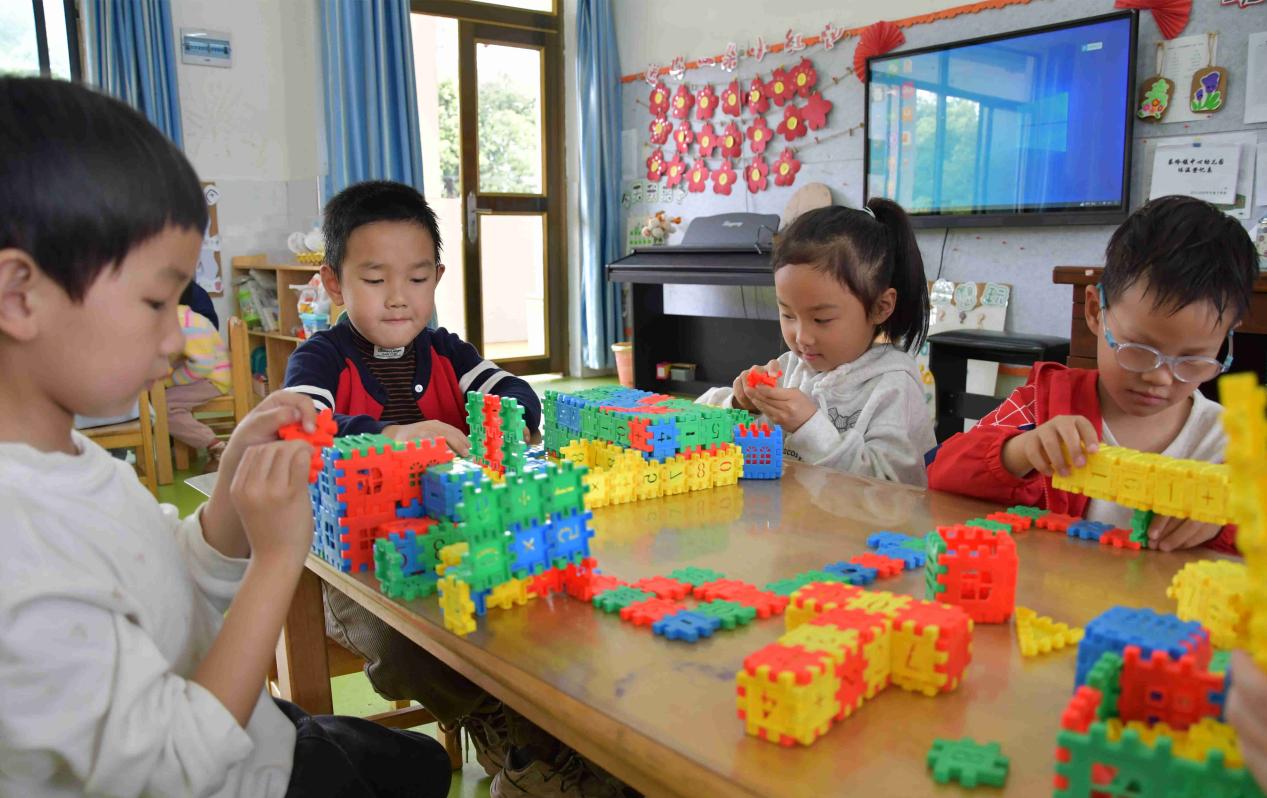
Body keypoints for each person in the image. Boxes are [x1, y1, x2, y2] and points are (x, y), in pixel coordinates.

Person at [0, 76, 451, 798]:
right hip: (227, 768)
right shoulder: (19, 548)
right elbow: (172, 766)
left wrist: (233, 490)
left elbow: (169, 581)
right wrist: (277, 559)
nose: (180, 338)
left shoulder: (75, 461)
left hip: (255, 737)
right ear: (19, 296)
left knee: (421, 762)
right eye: (157, 301)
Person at [284, 180, 628, 797]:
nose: (399, 297)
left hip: (458, 540)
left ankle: (544, 731)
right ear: (334, 283)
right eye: (375, 279)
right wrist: (398, 435)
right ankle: (500, 728)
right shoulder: (323, 357)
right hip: (356, 567)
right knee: (405, 644)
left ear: (437, 278)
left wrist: (507, 419)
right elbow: (301, 424)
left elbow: (513, 393)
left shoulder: (446, 352)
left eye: (417, 279)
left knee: (542, 606)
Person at [928, 196, 1258, 553]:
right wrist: (1019, 451)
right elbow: (940, 472)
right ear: (1095, 312)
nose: (1161, 378)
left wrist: (1226, 519)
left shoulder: (1231, 445)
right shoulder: (1043, 405)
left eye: (1193, 360)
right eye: (1139, 349)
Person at [697, 201, 935, 487]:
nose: (801, 337)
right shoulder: (789, 369)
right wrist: (741, 406)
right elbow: (694, 423)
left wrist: (808, 427)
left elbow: (896, 490)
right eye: (787, 314)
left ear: (880, 307)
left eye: (821, 319)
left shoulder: (893, 387)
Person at [167, 301, 231, 470]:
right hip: (203, 376)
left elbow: (202, 366)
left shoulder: (186, 323)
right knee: (159, 401)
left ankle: (217, 447)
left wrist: (170, 380)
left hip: (211, 379)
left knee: (163, 406)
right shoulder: (178, 318)